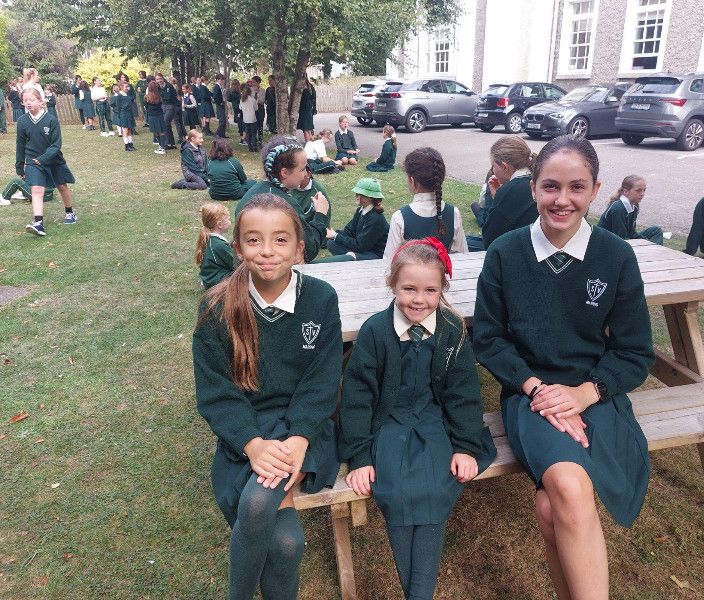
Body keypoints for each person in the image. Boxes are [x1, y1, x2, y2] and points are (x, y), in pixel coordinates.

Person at [472, 135, 655, 600]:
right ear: (532, 186)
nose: (562, 199)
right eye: (551, 186)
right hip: (530, 396)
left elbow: (635, 353)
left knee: (551, 509)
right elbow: (489, 339)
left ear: (596, 190)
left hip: (597, 395)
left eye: (577, 187)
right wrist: (537, 388)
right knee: (570, 489)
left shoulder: (615, 255)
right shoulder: (505, 252)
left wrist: (583, 394)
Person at [193, 193, 341, 600]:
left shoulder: (321, 298)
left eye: (280, 239)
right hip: (247, 431)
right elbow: (217, 393)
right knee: (286, 541)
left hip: (305, 429)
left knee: (261, 507)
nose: (267, 251)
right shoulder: (216, 307)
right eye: (254, 239)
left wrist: (300, 437)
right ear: (237, 247)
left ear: (299, 247)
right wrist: (252, 444)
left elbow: (322, 381)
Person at [339, 237, 496, 600]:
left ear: (442, 289)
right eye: (409, 288)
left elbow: (464, 393)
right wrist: (360, 457)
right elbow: (357, 398)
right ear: (392, 283)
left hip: (434, 422)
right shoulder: (375, 331)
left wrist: (466, 446)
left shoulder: (452, 330)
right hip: (389, 424)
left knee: (435, 485)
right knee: (393, 487)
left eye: (430, 290)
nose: (419, 299)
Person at [235, 136, 330, 263]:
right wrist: (321, 215)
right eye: (302, 169)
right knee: (348, 258)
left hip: (247, 266)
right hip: (272, 269)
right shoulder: (285, 204)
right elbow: (309, 250)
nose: (305, 174)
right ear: (284, 172)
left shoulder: (251, 193)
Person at [384, 147, 468, 258]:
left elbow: (390, 260)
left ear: (412, 181)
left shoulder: (399, 217)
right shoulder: (454, 213)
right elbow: (462, 256)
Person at [16, 88, 78, 236]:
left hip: (53, 159)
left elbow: (56, 145)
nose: (28, 103)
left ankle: (70, 212)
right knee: (37, 189)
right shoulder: (22, 121)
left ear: (40, 101)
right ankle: (38, 223)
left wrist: (42, 159)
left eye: (32, 100)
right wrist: (19, 166)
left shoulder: (51, 120)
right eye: (25, 100)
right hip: (33, 160)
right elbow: (20, 144)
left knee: (62, 186)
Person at [466, 136, 539, 252]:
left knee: (465, 241)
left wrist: (498, 198)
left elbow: (489, 239)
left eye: (493, 166)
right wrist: (497, 196)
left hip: (518, 251)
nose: (493, 171)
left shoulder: (510, 190)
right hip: (535, 245)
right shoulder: (538, 179)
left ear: (504, 167)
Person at [319, 177, 389, 262]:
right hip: (363, 248)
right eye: (356, 194)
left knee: (350, 255)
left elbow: (360, 246)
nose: (357, 197)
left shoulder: (375, 218)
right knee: (332, 243)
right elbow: (349, 231)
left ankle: (352, 259)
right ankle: (350, 259)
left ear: (370, 198)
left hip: (375, 254)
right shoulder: (360, 210)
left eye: (360, 195)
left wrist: (335, 235)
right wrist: (331, 234)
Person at [598, 175, 664, 245]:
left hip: (624, 239)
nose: (642, 194)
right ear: (626, 191)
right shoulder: (618, 208)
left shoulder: (634, 206)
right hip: (606, 243)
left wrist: (645, 241)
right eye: (638, 190)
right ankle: (652, 250)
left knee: (656, 231)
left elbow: (632, 233)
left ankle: (653, 249)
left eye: (644, 190)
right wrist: (643, 243)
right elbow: (620, 238)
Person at [195, 202, 234, 289]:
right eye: (228, 219)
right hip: (216, 280)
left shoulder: (209, 239)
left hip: (209, 277)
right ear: (219, 225)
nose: (230, 221)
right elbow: (234, 263)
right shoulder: (219, 245)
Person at [144, 81, 167, 155]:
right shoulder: (159, 96)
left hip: (151, 116)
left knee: (156, 132)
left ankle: (161, 147)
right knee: (161, 131)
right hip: (159, 115)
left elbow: (146, 107)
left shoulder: (146, 97)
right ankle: (162, 147)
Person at [155, 73, 178, 149]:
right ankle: (171, 144)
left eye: (160, 79)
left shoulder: (169, 86)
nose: (159, 81)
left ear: (163, 78)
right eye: (157, 79)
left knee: (165, 123)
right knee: (167, 125)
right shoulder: (157, 87)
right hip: (163, 107)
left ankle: (165, 143)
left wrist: (161, 96)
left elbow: (169, 97)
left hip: (170, 106)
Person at [117, 74, 137, 151]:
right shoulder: (119, 96)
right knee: (125, 130)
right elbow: (118, 107)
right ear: (121, 87)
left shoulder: (127, 95)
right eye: (126, 87)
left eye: (128, 87)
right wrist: (120, 116)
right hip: (124, 114)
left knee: (129, 129)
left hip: (129, 114)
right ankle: (127, 145)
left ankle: (130, 144)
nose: (127, 88)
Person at [239, 85, 258, 153]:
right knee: (253, 134)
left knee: (248, 133)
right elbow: (256, 108)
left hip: (245, 119)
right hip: (252, 119)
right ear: (250, 92)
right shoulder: (252, 100)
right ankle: (254, 147)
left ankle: (250, 147)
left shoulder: (242, 100)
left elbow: (240, 108)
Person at [296, 75, 316, 142]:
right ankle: (311, 143)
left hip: (304, 111)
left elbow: (303, 102)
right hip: (309, 111)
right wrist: (314, 109)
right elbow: (314, 99)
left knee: (305, 130)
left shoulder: (304, 90)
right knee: (309, 129)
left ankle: (308, 143)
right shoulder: (310, 87)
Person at [228, 79, 243, 143]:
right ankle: (242, 132)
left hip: (235, 106)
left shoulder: (231, 92)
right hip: (240, 106)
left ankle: (240, 132)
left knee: (239, 119)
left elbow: (229, 99)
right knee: (241, 119)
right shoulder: (239, 91)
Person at [252, 76, 266, 142]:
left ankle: (260, 138)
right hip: (252, 109)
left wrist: (256, 94)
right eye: (252, 82)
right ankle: (254, 139)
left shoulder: (262, 90)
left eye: (254, 82)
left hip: (260, 109)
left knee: (260, 124)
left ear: (258, 82)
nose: (252, 83)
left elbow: (262, 101)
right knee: (253, 124)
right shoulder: (250, 90)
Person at [213, 73, 227, 138]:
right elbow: (215, 97)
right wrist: (220, 102)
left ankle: (222, 134)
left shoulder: (220, 87)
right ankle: (217, 133)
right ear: (218, 80)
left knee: (224, 120)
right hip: (219, 105)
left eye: (223, 80)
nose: (223, 81)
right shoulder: (216, 87)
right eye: (221, 80)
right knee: (222, 120)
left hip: (222, 104)